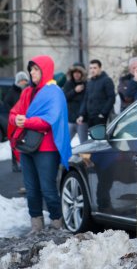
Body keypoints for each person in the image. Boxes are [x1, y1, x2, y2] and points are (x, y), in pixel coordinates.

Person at [8, 55, 71, 233]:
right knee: (31, 188)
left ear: (45, 70)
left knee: (48, 188)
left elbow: (48, 120)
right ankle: (36, 224)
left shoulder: (54, 92)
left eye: (36, 69)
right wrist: (17, 119)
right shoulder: (27, 91)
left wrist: (24, 121)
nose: (32, 73)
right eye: (31, 69)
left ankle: (56, 222)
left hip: (47, 148)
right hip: (27, 145)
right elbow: (14, 113)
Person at [77, 59, 115, 128]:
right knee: (92, 138)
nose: (92, 70)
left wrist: (103, 113)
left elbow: (111, 98)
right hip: (90, 117)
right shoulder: (90, 82)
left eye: (95, 68)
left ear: (100, 68)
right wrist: (81, 114)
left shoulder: (107, 80)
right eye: (91, 68)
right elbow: (86, 99)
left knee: (100, 137)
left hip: (101, 117)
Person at [3, 71, 29, 172]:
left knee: (25, 142)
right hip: (15, 122)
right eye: (21, 80)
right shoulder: (12, 92)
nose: (23, 82)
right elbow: (7, 104)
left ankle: (24, 162)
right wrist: (14, 114)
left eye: (24, 80)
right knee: (15, 143)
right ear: (17, 81)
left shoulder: (28, 90)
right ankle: (15, 163)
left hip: (26, 121)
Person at [63, 62, 88, 143]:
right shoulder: (68, 84)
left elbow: (87, 101)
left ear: (82, 73)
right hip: (70, 119)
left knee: (83, 143)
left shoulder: (86, 84)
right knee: (65, 142)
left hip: (81, 119)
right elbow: (64, 98)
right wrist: (74, 91)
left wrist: (82, 115)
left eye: (78, 72)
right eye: (75, 72)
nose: (76, 74)